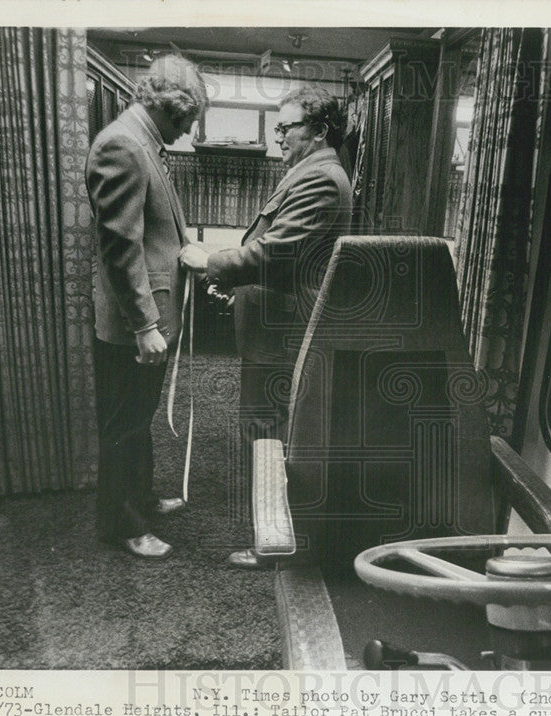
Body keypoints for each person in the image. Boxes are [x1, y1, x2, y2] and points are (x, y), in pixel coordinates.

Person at [181, 86, 353, 569]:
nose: (278, 136)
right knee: (267, 434)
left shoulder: (321, 178)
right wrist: (233, 281)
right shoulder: (308, 171)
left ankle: (277, 546)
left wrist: (211, 261)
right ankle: (279, 538)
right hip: (273, 328)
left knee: (269, 437)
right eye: (277, 127)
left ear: (318, 131)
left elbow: (276, 251)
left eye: (286, 127)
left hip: (283, 334)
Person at [86, 55, 207, 559]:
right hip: (136, 324)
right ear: (171, 107)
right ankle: (122, 523)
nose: (189, 131)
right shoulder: (124, 144)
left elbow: (152, 233)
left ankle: (137, 497)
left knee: (138, 417)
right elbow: (121, 248)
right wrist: (144, 324)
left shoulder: (142, 142)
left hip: (149, 316)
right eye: (189, 120)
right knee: (125, 424)